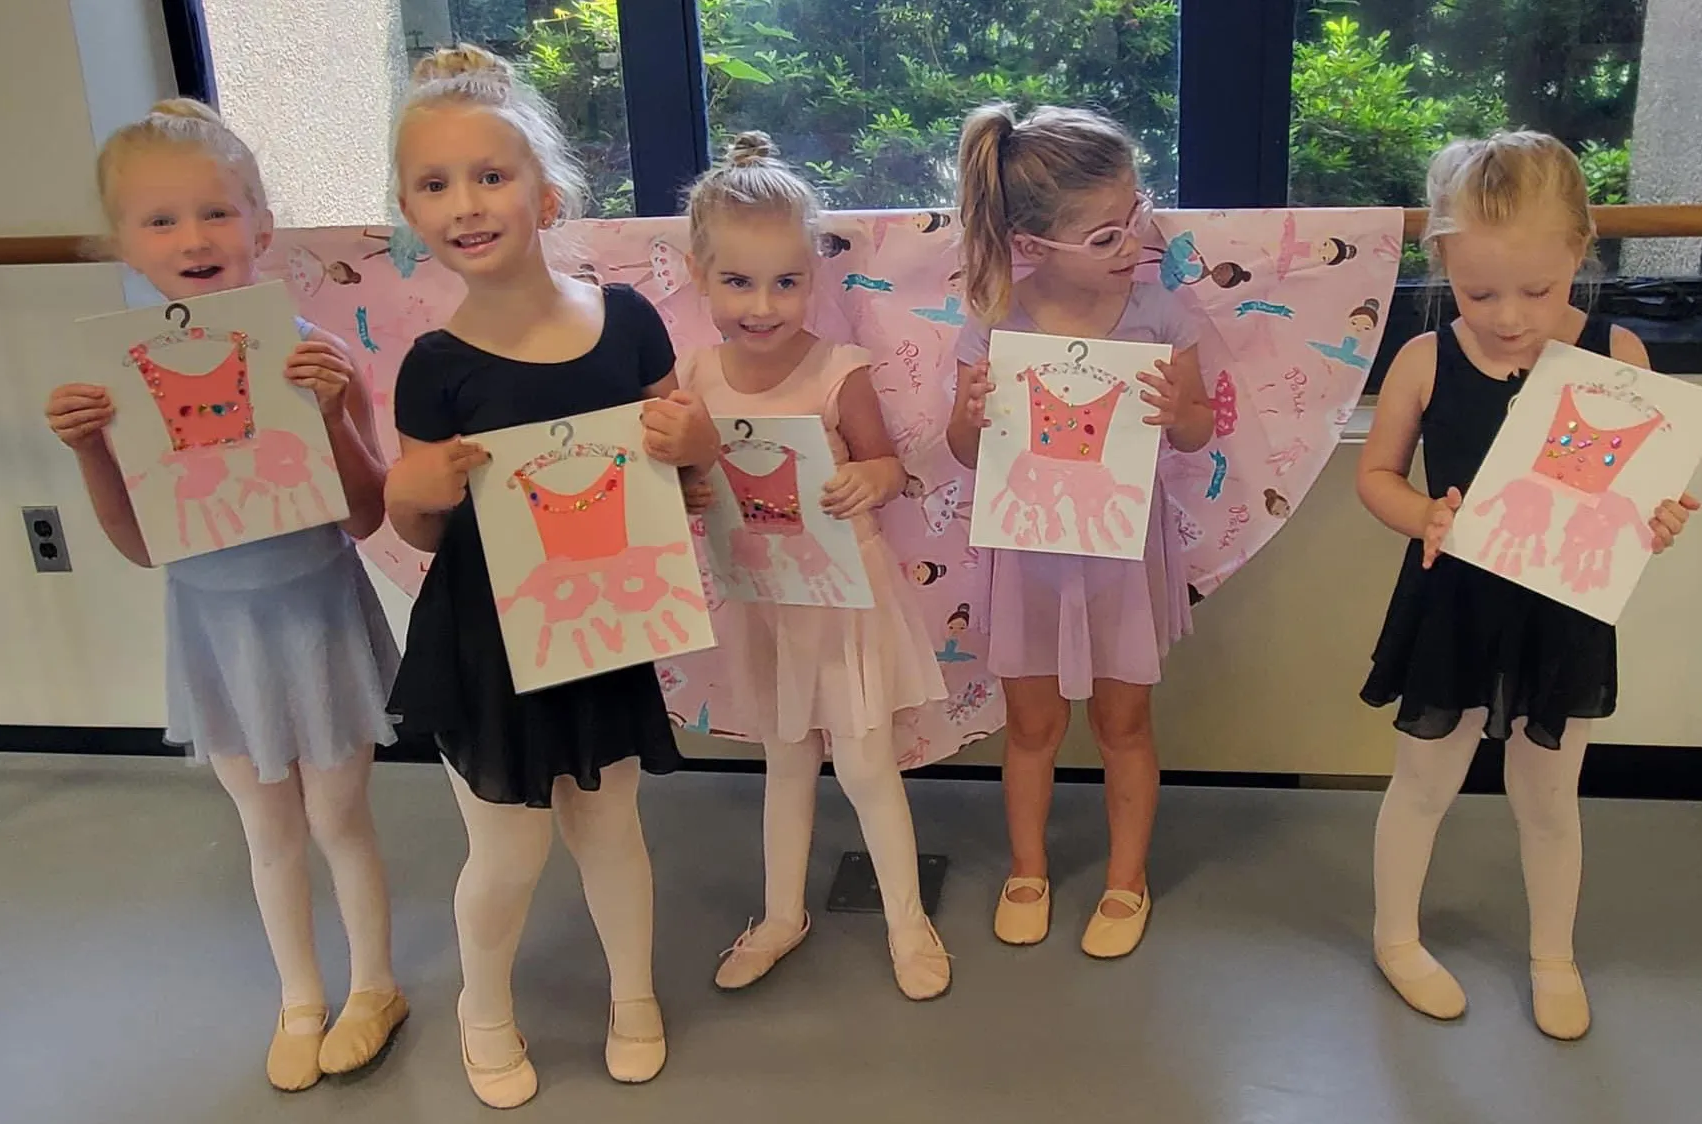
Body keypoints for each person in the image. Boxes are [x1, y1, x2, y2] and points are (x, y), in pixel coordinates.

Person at [43, 100, 404, 1092]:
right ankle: (298, 995)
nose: (192, 238)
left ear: (260, 225)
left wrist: (333, 412)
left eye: (213, 212)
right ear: (123, 241)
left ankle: (373, 983)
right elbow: (136, 542)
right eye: (160, 220)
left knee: (339, 818)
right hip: (212, 628)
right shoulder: (114, 384)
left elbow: (366, 514)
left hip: (316, 617)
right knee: (267, 827)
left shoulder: (314, 356)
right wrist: (88, 452)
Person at [383, 44, 717, 1108]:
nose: (466, 203)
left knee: (611, 825)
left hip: (601, 621)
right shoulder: (437, 365)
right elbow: (425, 534)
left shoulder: (626, 321)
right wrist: (415, 485)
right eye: (435, 185)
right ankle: (485, 1007)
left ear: (546, 191)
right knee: (509, 848)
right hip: (487, 641)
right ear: (408, 208)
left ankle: (633, 996)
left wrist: (692, 439)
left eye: (490, 175)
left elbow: (680, 479)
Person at [1357, 131, 1701, 1040]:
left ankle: (1554, 952)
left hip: (1560, 607)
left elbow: (1637, 495)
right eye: (1478, 293)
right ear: (1442, 269)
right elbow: (1377, 477)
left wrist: (1655, 521)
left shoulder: (1619, 352)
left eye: (1537, 291)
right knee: (1423, 778)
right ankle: (1395, 936)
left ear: (1578, 256)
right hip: (1454, 604)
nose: (1509, 317)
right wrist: (1422, 513)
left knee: (1549, 796)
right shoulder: (1425, 360)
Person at [677, 133, 952, 1000]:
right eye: (738, 282)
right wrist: (685, 491)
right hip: (763, 600)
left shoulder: (839, 368)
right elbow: (681, 480)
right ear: (700, 274)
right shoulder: (692, 376)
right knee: (784, 762)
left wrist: (862, 481)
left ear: (813, 277)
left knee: (868, 766)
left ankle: (908, 920)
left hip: (842, 600)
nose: (763, 305)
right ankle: (779, 915)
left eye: (786, 282)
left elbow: (890, 469)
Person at [945, 103, 1214, 958]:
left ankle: (1124, 880)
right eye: (1104, 236)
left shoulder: (1160, 318)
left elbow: (1200, 429)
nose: (1134, 243)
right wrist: (972, 412)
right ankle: (1027, 868)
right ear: (1034, 245)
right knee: (1029, 728)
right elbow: (961, 449)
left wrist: (1180, 412)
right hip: (1027, 553)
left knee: (1124, 725)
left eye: (1134, 214)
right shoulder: (998, 324)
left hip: (1121, 557)